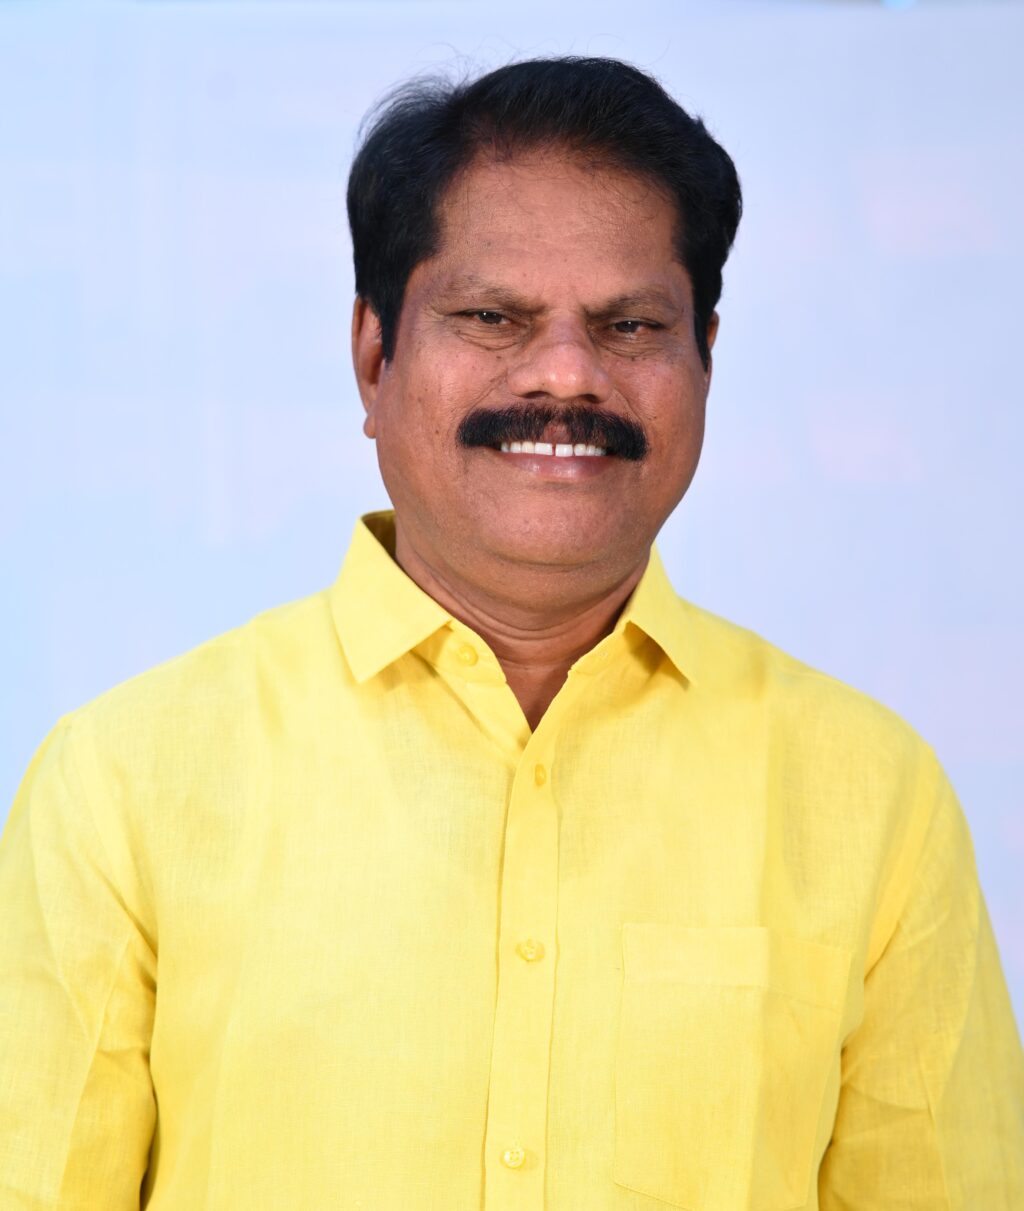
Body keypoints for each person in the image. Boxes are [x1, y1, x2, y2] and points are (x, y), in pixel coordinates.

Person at [1, 55, 1021, 1211]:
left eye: (630, 324)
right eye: (492, 317)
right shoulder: (124, 784)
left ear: (704, 359)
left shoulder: (873, 797)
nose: (566, 374)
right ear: (374, 354)